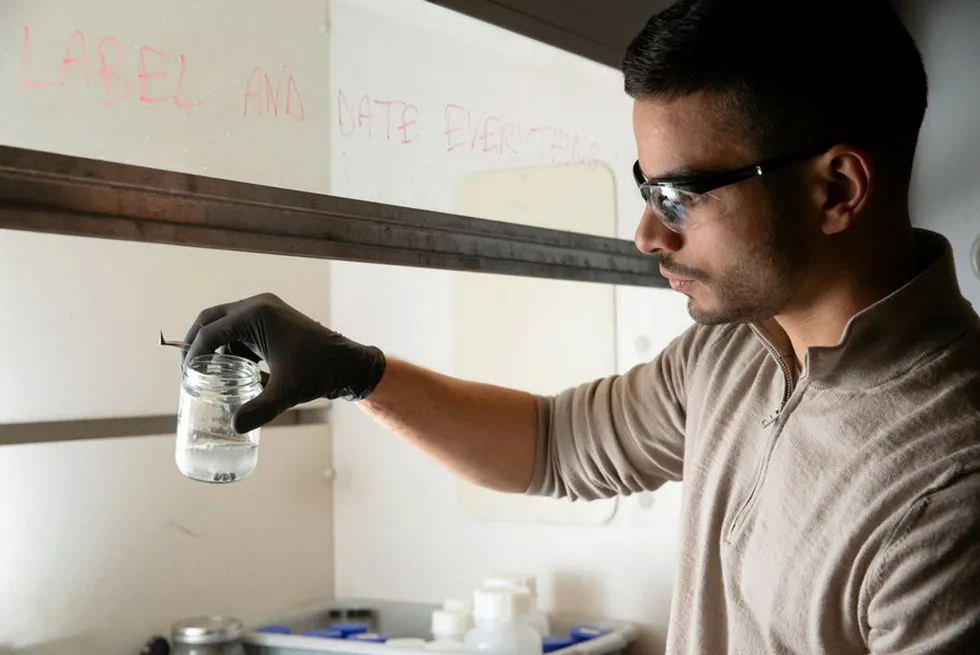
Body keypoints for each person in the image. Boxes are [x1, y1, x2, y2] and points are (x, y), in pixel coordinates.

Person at [182, 0, 980, 652]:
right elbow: (553, 443)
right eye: (646, 187)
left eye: (681, 196)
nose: (647, 234)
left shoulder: (950, 477)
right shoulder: (730, 353)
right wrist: (353, 371)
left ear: (837, 189)